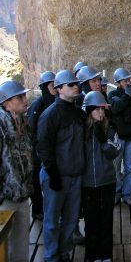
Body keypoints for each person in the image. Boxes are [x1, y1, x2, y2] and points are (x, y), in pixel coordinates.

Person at [37, 70, 86, 262]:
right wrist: (52, 173)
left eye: (77, 84)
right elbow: (44, 147)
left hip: (76, 175)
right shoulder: (50, 115)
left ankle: (64, 253)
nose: (76, 87)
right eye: (71, 85)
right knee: (51, 221)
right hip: (55, 176)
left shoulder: (79, 114)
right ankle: (51, 256)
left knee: (72, 219)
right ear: (58, 89)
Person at [82, 91, 121, 262]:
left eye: (103, 109)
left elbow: (114, 152)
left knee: (106, 219)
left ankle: (105, 255)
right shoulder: (82, 130)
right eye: (97, 109)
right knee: (91, 220)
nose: (101, 113)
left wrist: (103, 139)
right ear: (89, 111)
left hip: (107, 181)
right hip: (88, 182)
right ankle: (91, 255)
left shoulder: (110, 128)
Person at [0, 80, 33, 262]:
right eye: (19, 96)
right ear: (6, 101)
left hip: (22, 194)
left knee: (20, 249)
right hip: (4, 198)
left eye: (24, 95)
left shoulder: (22, 121)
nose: (25, 99)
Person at [108, 67, 131, 206]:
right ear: (118, 82)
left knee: (130, 168)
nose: (128, 82)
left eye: (129, 79)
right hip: (118, 137)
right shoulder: (112, 94)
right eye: (125, 80)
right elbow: (115, 109)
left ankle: (127, 194)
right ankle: (116, 192)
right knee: (115, 168)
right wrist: (127, 96)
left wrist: (125, 112)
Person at [27, 70, 57, 221]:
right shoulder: (37, 105)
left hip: (51, 149)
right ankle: (38, 209)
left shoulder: (55, 102)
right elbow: (31, 129)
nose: (55, 89)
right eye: (53, 86)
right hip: (37, 149)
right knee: (36, 180)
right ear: (45, 87)